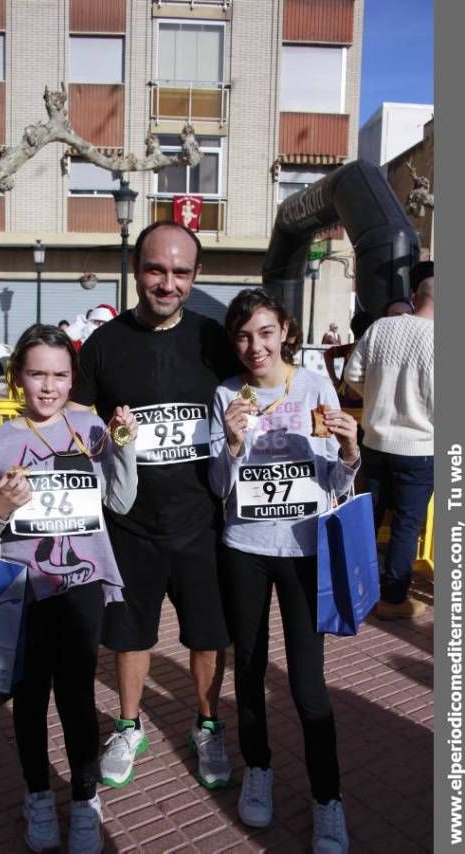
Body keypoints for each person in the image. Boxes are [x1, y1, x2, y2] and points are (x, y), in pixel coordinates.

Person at [69, 221, 238, 790]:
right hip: (128, 524)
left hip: (202, 523)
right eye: (156, 269)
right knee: (128, 635)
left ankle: (209, 725)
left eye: (180, 272)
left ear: (195, 277)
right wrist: (101, 437)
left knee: (209, 636)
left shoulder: (214, 340)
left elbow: (260, 390)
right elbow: (74, 421)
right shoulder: (104, 344)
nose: (167, 283)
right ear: (137, 269)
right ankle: (128, 724)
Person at [0, 324, 138, 853]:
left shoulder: (91, 427)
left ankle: (85, 799)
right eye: (37, 373)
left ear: (73, 378)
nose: (48, 386)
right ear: (17, 376)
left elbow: (122, 501)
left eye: (60, 375)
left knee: (78, 698)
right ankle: (38, 795)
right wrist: (0, 505)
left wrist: (124, 448)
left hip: (83, 582)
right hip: (24, 590)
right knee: (31, 700)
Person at [209, 289, 359, 853]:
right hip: (244, 545)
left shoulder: (316, 384)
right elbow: (219, 489)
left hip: (304, 550)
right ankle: (260, 768)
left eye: (266, 332)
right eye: (245, 336)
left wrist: (348, 454)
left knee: (306, 684)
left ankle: (328, 800)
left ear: (286, 331)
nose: (256, 346)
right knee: (248, 667)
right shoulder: (225, 393)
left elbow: (335, 485)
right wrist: (229, 441)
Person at [345, 276, 434, 620]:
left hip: (375, 441)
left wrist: (376, 400)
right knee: (406, 526)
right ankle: (393, 599)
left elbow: (352, 375)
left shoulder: (381, 327)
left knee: (370, 515)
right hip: (420, 447)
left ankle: (356, 587)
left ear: (414, 297)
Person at [323, 311, 374, 411]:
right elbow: (328, 354)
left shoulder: (350, 348)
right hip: (362, 405)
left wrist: (335, 380)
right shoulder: (374, 349)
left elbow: (327, 354)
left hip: (345, 401)